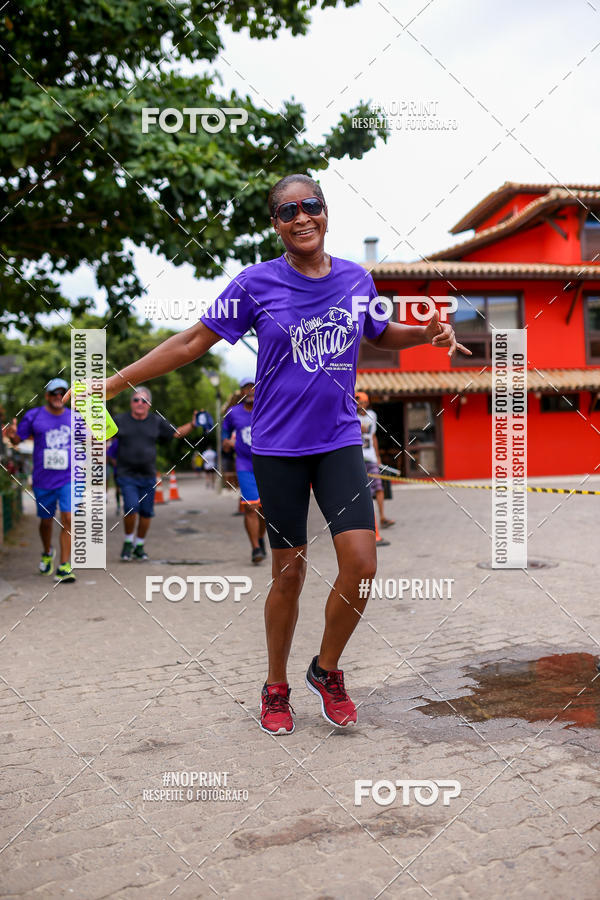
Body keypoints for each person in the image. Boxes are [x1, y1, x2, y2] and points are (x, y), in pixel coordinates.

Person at [68, 173, 470, 735]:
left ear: (326, 213)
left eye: (311, 206)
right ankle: (275, 686)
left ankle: (326, 671)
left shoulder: (356, 279)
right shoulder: (255, 284)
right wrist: (115, 382)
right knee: (289, 575)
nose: (302, 217)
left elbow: (380, 330)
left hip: (337, 443)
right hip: (278, 450)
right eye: (288, 211)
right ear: (275, 223)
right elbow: (190, 342)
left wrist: (426, 334)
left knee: (362, 562)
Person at [2, 378, 79, 583]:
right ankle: (47, 552)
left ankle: (64, 566)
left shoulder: (75, 418)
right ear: (47, 396)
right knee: (46, 522)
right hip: (43, 479)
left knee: (68, 519)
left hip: (68, 477)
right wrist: (11, 435)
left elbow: (90, 439)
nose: (57, 397)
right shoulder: (34, 416)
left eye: (62, 393)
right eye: (54, 393)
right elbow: (18, 440)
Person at [112, 386, 196, 561]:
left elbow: (177, 433)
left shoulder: (156, 421)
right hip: (126, 474)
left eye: (144, 400)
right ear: (131, 403)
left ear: (149, 404)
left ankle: (139, 545)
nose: (140, 403)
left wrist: (194, 424)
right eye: (136, 400)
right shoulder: (120, 420)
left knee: (147, 513)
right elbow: (101, 435)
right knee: (131, 507)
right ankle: (128, 542)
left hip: (148, 475)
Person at [222, 378, 267, 564]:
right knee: (251, 507)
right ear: (241, 392)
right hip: (244, 465)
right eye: (246, 388)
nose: (250, 391)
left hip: (266, 465)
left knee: (265, 510)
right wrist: (226, 441)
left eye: (253, 387)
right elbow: (225, 432)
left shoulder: (266, 409)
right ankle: (255, 548)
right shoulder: (234, 413)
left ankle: (260, 538)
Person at [356, 391, 395, 532]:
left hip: (370, 456)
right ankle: (362, 520)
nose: (360, 405)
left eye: (363, 402)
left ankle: (383, 517)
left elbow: (373, 436)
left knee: (379, 487)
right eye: (358, 403)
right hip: (357, 457)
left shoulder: (372, 416)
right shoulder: (351, 416)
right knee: (360, 489)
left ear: (367, 403)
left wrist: (378, 456)